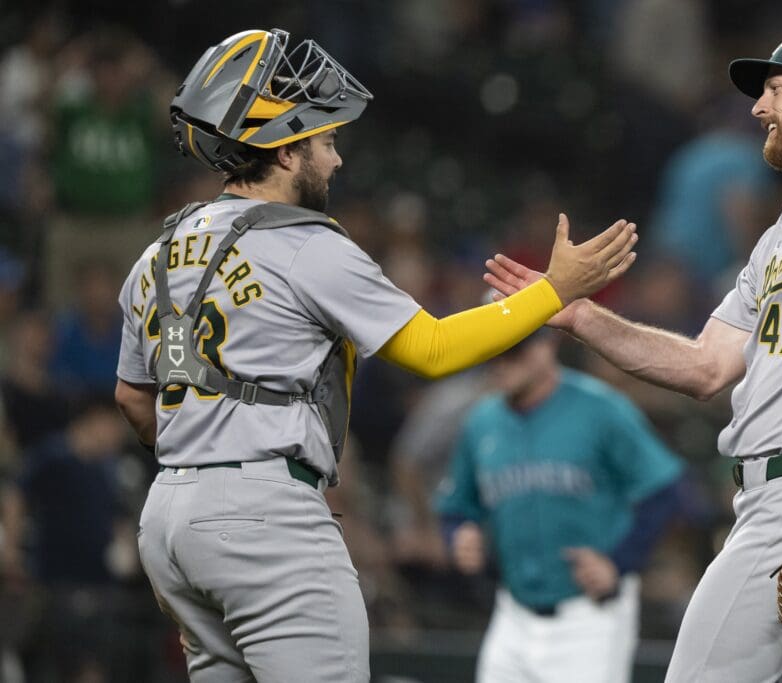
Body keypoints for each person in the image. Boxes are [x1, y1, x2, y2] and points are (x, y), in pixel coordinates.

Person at [113, 28, 636, 683]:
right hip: (263, 516)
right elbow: (434, 349)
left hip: (169, 520)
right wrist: (555, 289)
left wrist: (204, 459)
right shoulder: (307, 244)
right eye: (326, 141)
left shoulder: (156, 256)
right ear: (284, 147)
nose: (335, 161)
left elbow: (134, 398)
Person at [485, 29, 782, 682]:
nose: (758, 108)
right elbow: (703, 364)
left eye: (774, 88)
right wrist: (578, 315)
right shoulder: (781, 234)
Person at [435, 330, 682, 683]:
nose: (500, 363)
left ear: (548, 344)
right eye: (492, 351)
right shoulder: (481, 422)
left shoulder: (600, 409)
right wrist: (458, 534)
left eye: (513, 351)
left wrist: (620, 562)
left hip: (589, 617)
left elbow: (665, 492)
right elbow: (456, 506)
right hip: (512, 613)